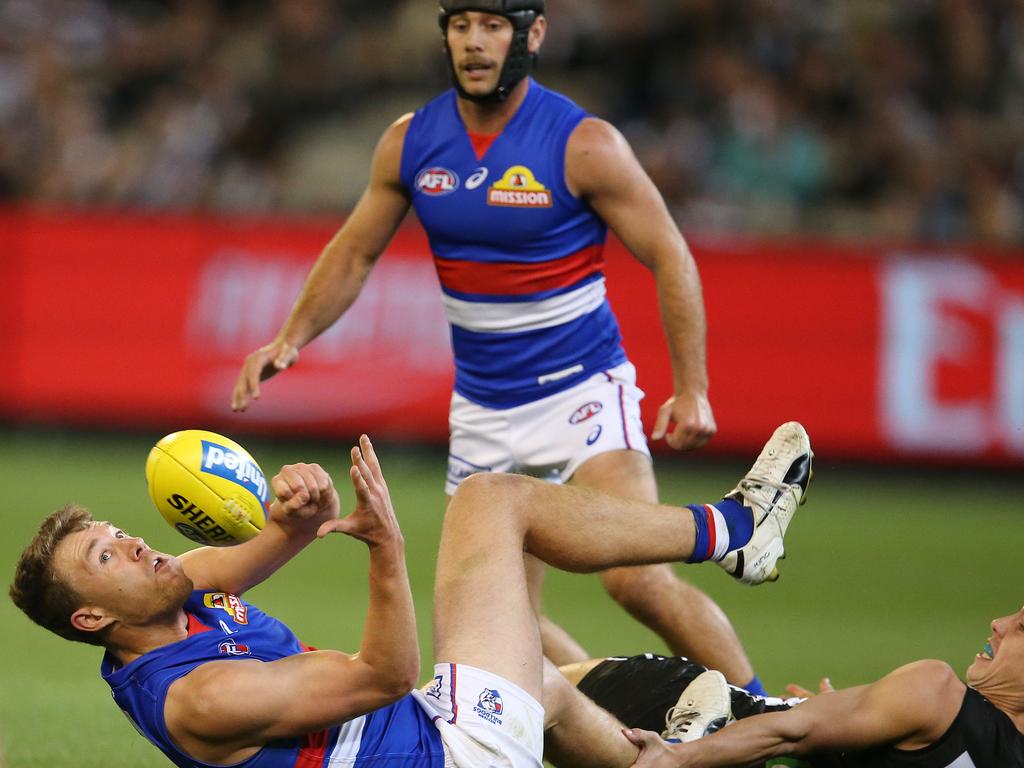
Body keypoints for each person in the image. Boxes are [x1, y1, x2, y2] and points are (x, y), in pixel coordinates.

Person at [230, 0, 764, 693]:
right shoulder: (411, 141)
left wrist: (692, 386)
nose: (474, 43)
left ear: (533, 35)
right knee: (496, 614)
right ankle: (616, 720)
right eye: (460, 26)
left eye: (492, 26)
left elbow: (669, 252)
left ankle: (764, 709)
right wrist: (291, 336)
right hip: (481, 411)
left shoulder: (583, 143)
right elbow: (357, 251)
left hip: (582, 389)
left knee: (635, 580)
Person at [9, 423, 811, 768]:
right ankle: (737, 525)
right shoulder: (200, 697)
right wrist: (384, 547)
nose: (138, 543)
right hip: (436, 753)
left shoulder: (168, 599)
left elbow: (254, 551)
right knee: (493, 503)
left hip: (417, 735)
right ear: (92, 617)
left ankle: (681, 756)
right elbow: (385, 675)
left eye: (120, 532)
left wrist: (301, 517)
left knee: (546, 691)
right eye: (108, 554)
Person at [623, 613, 1024, 767]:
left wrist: (679, 758)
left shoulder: (937, 695)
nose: (998, 623)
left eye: (1023, 626)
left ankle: (727, 531)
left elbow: (788, 731)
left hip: (718, 731)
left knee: (565, 692)